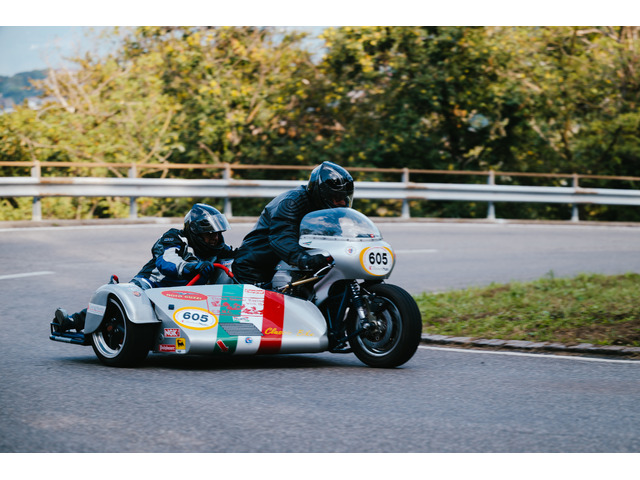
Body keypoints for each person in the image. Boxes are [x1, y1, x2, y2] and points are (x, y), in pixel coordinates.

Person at [52, 203, 236, 333]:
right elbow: (167, 261)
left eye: (218, 234)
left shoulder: (219, 248)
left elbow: (239, 257)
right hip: (154, 286)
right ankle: (71, 321)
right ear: (195, 232)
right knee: (129, 298)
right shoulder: (174, 238)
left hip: (188, 294)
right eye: (209, 234)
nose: (215, 238)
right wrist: (192, 267)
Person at [231, 161, 354, 286]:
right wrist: (304, 259)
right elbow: (282, 237)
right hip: (256, 267)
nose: (343, 203)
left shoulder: (325, 208)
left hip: (284, 265)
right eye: (338, 198)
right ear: (322, 194)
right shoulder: (291, 202)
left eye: (345, 197)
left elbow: (335, 236)